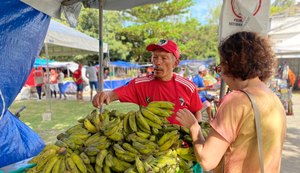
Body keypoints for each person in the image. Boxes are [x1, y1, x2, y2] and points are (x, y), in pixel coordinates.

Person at [176, 31, 286, 172]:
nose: (220, 74)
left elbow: (207, 160)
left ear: (232, 64)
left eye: (221, 66)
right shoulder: (273, 98)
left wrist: (193, 127)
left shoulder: (237, 101)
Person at [92, 39, 203, 125]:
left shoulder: (188, 87)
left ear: (175, 63)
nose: (157, 62)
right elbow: (114, 94)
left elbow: (196, 111)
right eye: (155, 57)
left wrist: (196, 135)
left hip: (180, 146)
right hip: (148, 145)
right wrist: (105, 95)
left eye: (164, 58)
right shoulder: (140, 84)